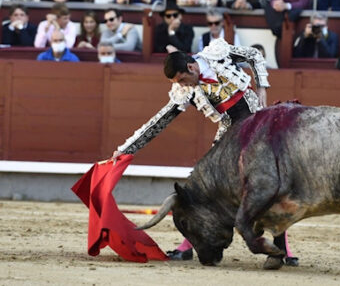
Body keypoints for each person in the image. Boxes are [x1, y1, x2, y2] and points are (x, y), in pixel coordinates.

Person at [108, 38, 298, 267]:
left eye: (182, 79)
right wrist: (125, 149)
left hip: (258, 124)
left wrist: (262, 89)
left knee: (273, 185)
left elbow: (253, 55)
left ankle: (282, 249)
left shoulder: (217, 53)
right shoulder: (183, 91)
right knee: (202, 192)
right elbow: (157, 122)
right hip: (228, 137)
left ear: (191, 67)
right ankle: (186, 247)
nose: (183, 85)